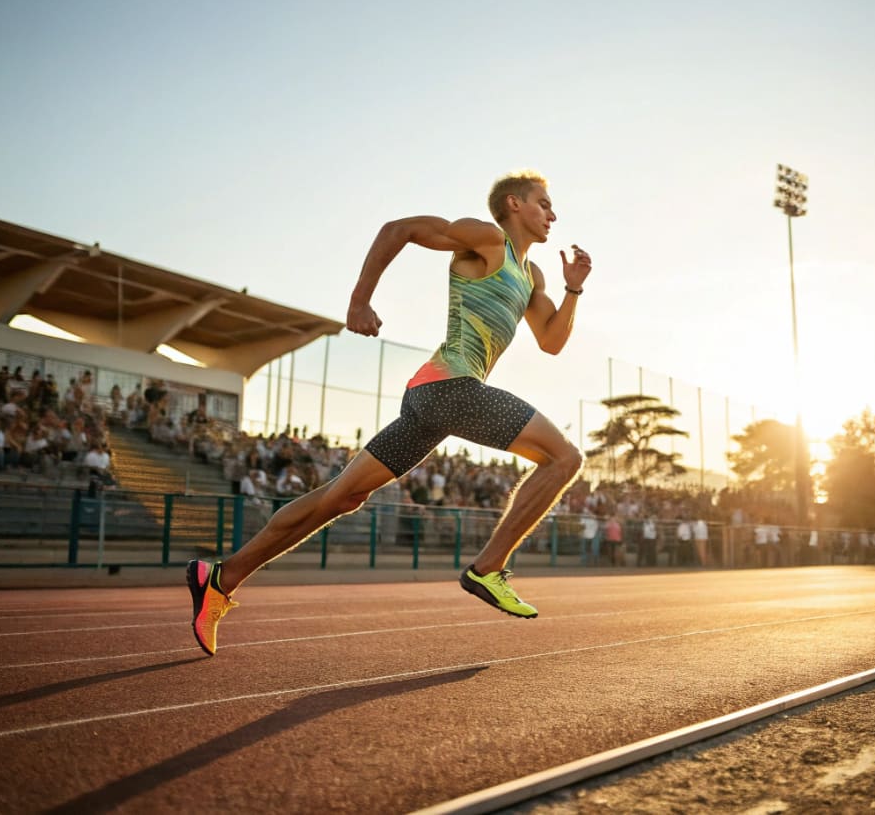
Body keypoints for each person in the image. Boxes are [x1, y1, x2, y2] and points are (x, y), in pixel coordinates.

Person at [186, 170, 591, 655]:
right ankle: (488, 568)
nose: (553, 214)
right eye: (544, 203)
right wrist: (359, 300)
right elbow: (398, 229)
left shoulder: (532, 277)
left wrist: (573, 290)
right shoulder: (487, 239)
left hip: (432, 401)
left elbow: (550, 341)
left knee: (340, 497)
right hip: (450, 388)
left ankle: (221, 577)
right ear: (514, 204)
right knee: (564, 459)